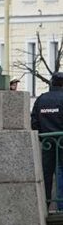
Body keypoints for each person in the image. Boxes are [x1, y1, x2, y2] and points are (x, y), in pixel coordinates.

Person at [31, 72, 63, 205]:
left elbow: (34, 121)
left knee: (46, 173)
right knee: (61, 170)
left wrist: (42, 135)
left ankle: (46, 204)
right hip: (61, 141)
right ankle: (61, 205)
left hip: (46, 142)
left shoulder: (41, 99)